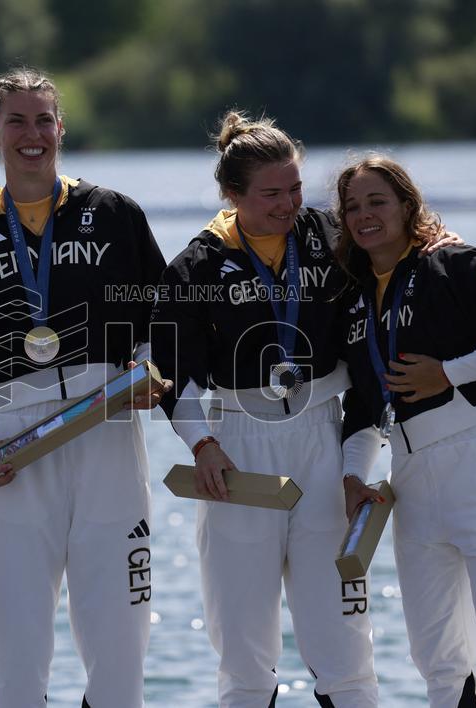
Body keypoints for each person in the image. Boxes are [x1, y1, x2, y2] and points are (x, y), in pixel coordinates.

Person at [0, 67, 169, 708]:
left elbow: (160, 318)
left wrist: (148, 371)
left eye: (43, 120)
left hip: (107, 428)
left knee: (120, 655)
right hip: (13, 444)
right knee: (17, 660)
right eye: (16, 121)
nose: (31, 134)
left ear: (61, 128)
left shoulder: (114, 215)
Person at [151, 111, 385, 707]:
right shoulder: (196, 266)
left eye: (296, 189)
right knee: (245, 657)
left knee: (345, 650)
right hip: (238, 450)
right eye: (272, 194)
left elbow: (370, 362)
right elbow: (170, 376)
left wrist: (356, 467)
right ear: (233, 194)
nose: (289, 205)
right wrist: (202, 446)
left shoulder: (331, 238)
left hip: (324, 442)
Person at [334, 155, 476, 707]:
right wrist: (352, 476)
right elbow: (363, 402)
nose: (365, 215)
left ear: (407, 205)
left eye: (377, 201)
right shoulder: (355, 300)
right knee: (440, 663)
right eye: (353, 207)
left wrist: (449, 373)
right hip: (409, 483)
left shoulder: (454, 263)